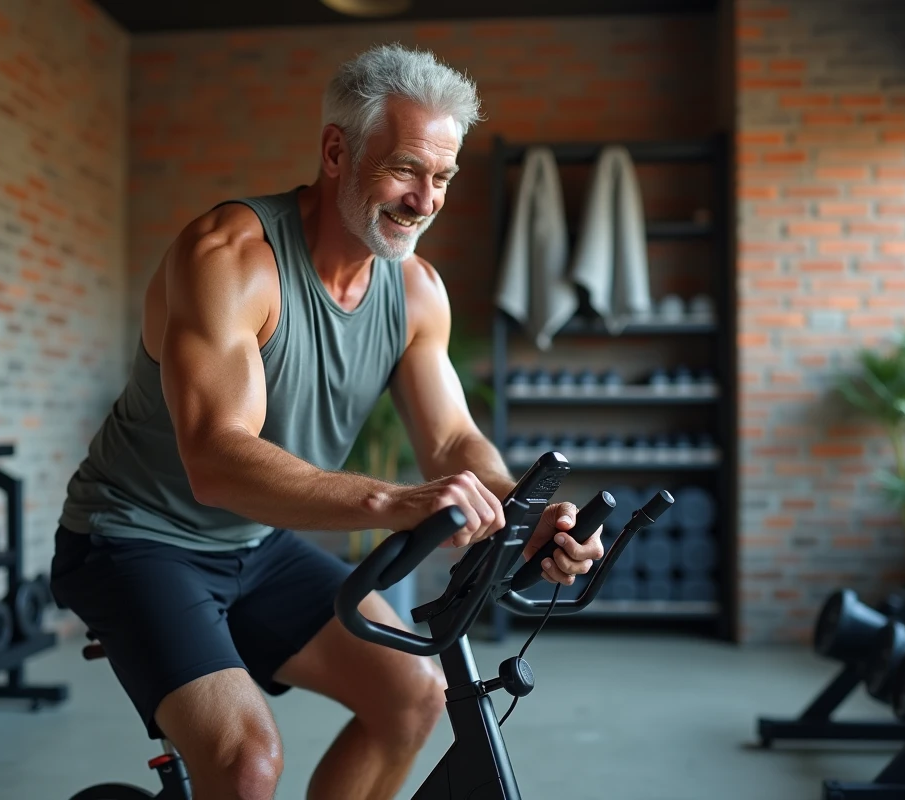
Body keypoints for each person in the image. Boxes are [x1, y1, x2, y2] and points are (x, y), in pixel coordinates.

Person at [49, 43, 604, 800]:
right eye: (407, 169)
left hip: (255, 543)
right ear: (336, 151)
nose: (426, 199)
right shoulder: (233, 258)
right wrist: (393, 501)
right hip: (134, 537)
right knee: (248, 763)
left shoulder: (415, 291)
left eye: (442, 177)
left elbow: (449, 439)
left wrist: (522, 511)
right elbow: (217, 459)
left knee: (413, 695)